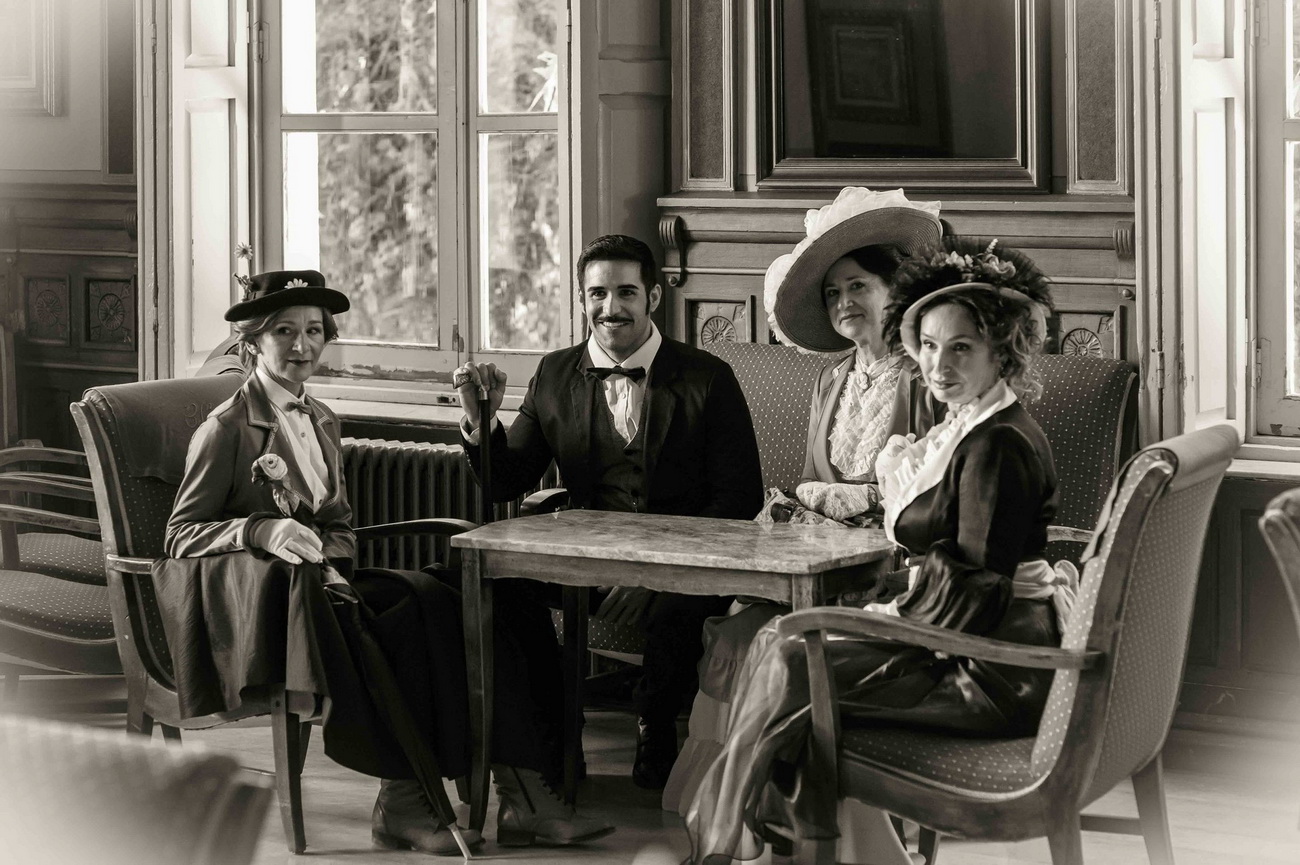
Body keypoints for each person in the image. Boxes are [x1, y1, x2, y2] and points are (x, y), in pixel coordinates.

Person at [157, 270, 612, 855]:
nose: (302, 346)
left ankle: (520, 794)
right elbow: (179, 535)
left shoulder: (322, 419)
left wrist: (332, 557)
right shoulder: (225, 430)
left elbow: (339, 524)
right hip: (268, 603)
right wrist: (260, 528)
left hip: (326, 586)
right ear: (253, 341)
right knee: (403, 621)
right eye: (284, 332)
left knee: (457, 600)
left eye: (314, 331)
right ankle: (404, 801)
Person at [681, 247, 1078, 864]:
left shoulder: (997, 445)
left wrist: (885, 619)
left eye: (961, 347)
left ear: (1002, 350)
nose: (939, 364)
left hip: (993, 670)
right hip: (969, 639)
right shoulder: (970, 426)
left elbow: (975, 592)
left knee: (791, 658)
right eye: (930, 346)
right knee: (779, 644)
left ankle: (729, 837)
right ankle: (759, 835)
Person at [664, 187, 945, 812]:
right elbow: (813, 485)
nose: (844, 302)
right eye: (832, 292)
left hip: (891, 575)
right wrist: (801, 506)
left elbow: (937, 496)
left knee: (779, 644)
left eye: (858, 285)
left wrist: (860, 504)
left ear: (895, 289)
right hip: (815, 568)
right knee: (737, 635)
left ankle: (807, 808)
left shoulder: (931, 377)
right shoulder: (828, 379)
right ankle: (737, 810)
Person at [455, 234, 764, 790]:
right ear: (581, 300)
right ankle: (548, 740)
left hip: (687, 565)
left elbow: (738, 499)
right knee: (500, 586)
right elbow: (509, 480)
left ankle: (656, 727)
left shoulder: (708, 376)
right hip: (585, 565)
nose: (610, 307)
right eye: (597, 293)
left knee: (678, 608)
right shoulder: (554, 373)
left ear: (653, 297)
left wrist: (654, 569)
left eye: (626, 292)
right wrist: (483, 422)